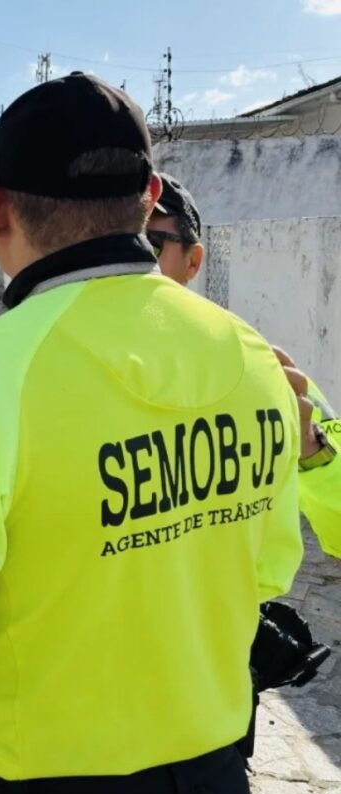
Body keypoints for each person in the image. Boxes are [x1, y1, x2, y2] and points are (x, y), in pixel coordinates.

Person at [0, 72, 305, 794]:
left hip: (33, 787)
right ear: (151, 195)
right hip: (212, 781)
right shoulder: (253, 357)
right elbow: (270, 567)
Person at [149, 172, 340, 554]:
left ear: (194, 261)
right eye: (122, 245)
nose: (132, 263)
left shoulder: (263, 369)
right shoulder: (59, 372)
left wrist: (308, 447)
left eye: (151, 245)